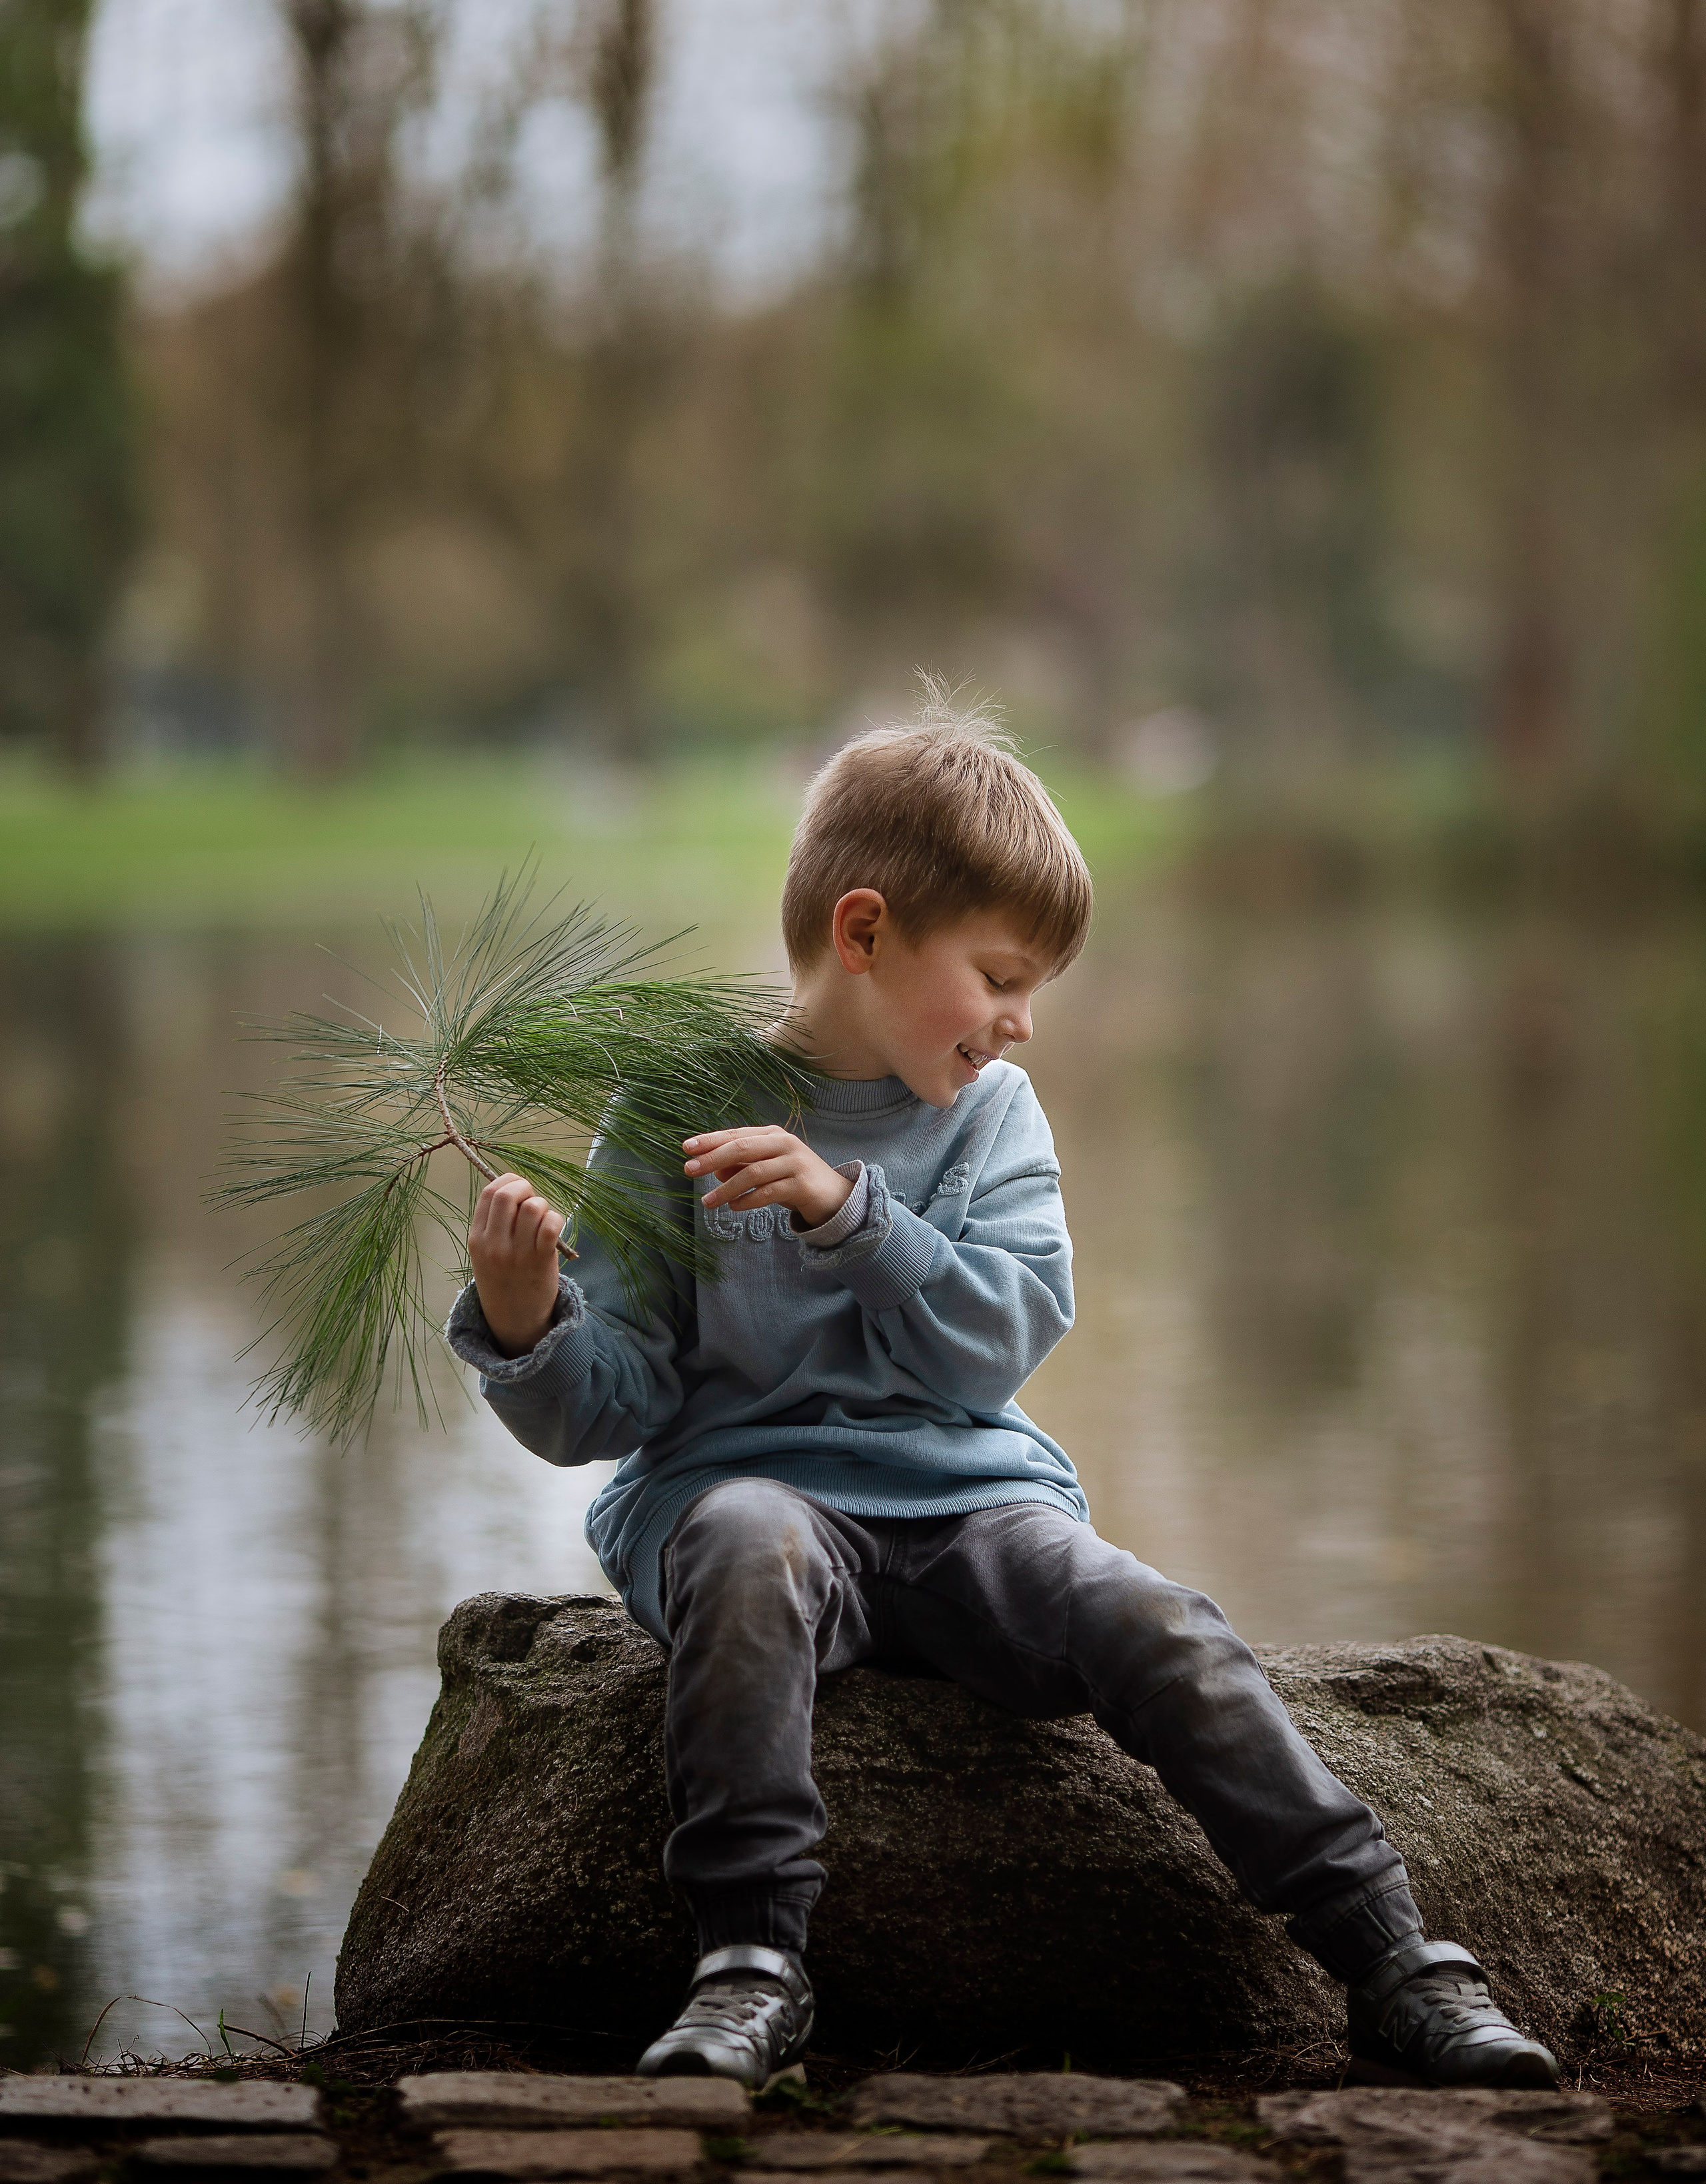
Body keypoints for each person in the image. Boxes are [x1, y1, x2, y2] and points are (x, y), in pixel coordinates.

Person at [446, 694, 1559, 2095]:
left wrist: (855, 1214)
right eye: (999, 976)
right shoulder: (680, 1094)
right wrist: (523, 1312)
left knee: (1149, 1617)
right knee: (744, 1538)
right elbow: (602, 1409)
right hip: (750, 1503)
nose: (1022, 1022)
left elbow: (998, 1341)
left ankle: (1394, 1959)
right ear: (864, 935)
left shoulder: (990, 1118)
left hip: (965, 1504)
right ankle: (747, 1966)